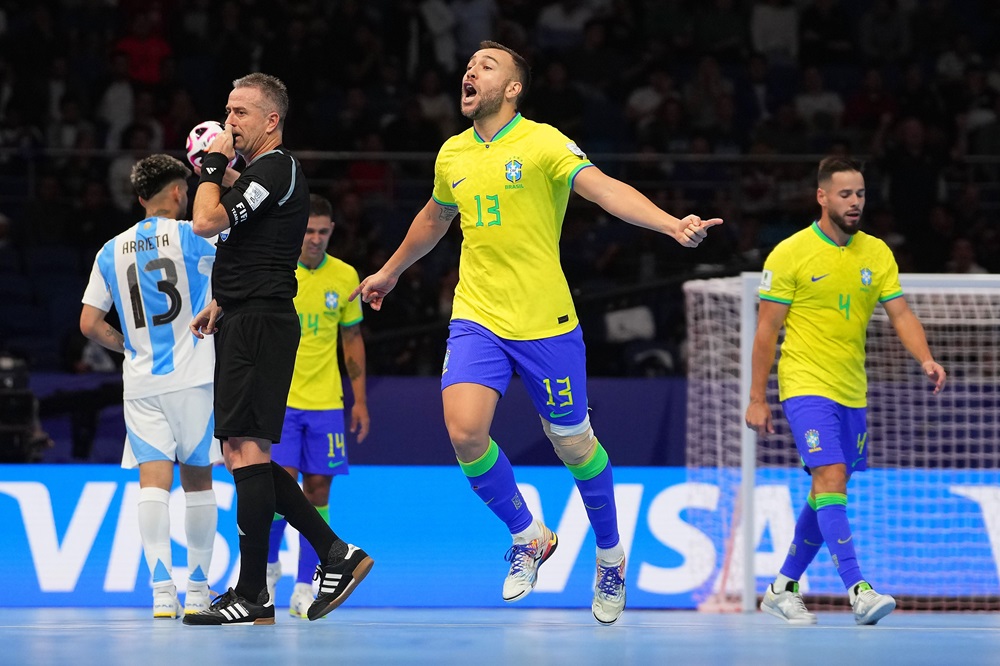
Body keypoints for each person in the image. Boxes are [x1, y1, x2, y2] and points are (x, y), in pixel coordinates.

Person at [351, 41, 721, 625]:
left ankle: (610, 553)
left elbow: (604, 189)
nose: (471, 70)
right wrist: (391, 271)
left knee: (574, 444)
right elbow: (434, 218)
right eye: (469, 65)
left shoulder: (544, 141)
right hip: (477, 317)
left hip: (546, 323)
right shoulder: (453, 153)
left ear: (514, 88)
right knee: (465, 432)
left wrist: (671, 225)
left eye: (487, 66)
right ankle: (529, 534)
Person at [184, 73, 372, 626]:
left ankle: (256, 591)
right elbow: (252, 244)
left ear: (271, 121)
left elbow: (204, 222)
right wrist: (224, 301)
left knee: (246, 453)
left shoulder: (276, 168)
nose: (228, 122)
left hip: (261, 324)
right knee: (246, 455)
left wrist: (211, 168)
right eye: (226, 110)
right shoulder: (262, 175)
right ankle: (331, 556)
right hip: (247, 317)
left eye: (240, 112)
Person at [745, 156, 947, 626]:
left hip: (853, 391)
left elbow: (900, 313)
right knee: (831, 476)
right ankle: (858, 589)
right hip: (804, 385)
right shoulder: (790, 253)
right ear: (822, 196)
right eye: (844, 194)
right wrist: (757, 397)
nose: (855, 202)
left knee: (827, 489)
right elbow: (765, 332)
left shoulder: (876, 253)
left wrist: (926, 358)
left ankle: (781, 588)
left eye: (860, 194)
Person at [79, 154, 221, 619]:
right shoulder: (193, 235)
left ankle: (162, 591)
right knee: (199, 481)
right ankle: (198, 590)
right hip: (195, 378)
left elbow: (88, 323)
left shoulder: (109, 249)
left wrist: (128, 347)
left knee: (152, 484)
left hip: (140, 382)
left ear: (140, 197)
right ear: (180, 192)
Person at [265, 193, 371, 618]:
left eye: (323, 231)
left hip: (326, 403)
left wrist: (359, 401)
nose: (315, 239)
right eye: (309, 230)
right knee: (279, 490)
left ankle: (306, 584)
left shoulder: (345, 276)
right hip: (282, 401)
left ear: (332, 232)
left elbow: (352, 340)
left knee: (318, 492)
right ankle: (269, 568)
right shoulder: (277, 271)